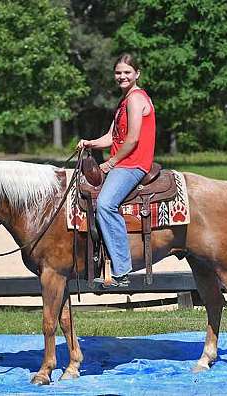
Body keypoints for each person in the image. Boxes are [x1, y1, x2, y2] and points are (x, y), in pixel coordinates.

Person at [77, 53, 156, 287]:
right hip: (123, 161)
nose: (122, 76)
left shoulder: (135, 99)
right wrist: (90, 143)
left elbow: (131, 140)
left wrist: (110, 163)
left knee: (105, 204)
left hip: (133, 163)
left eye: (127, 72)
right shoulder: (124, 101)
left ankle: (121, 270)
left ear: (137, 74)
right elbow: (113, 137)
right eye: (119, 72)